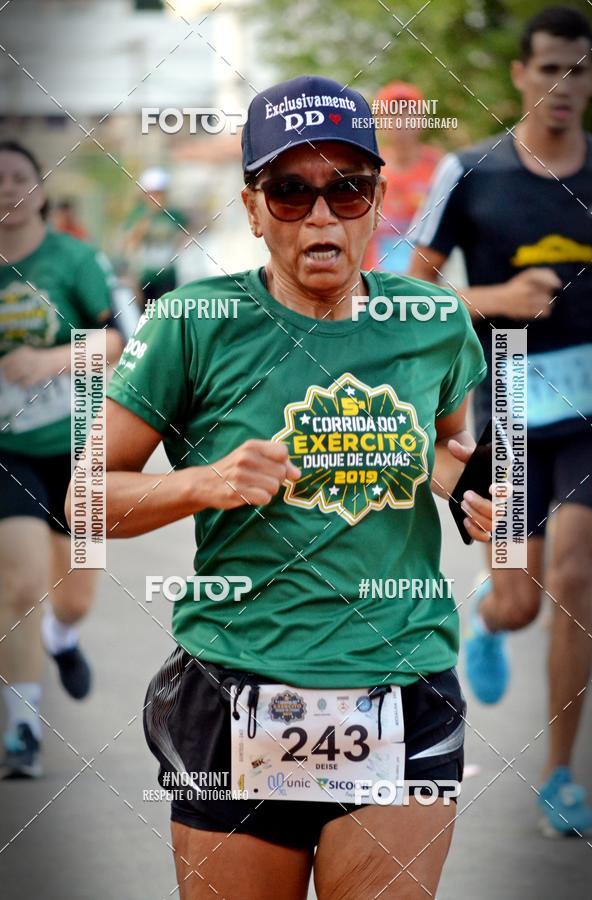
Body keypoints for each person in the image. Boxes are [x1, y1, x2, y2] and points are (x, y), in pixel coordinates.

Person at [88, 75, 492, 899]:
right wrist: (207, 481)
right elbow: (86, 499)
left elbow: (446, 447)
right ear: (251, 205)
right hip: (234, 681)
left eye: (347, 190)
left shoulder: (433, 322)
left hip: (402, 678)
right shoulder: (192, 324)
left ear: (379, 200)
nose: (320, 215)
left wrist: (472, 490)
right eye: (291, 190)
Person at [408, 6, 592, 837]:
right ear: (521, 75)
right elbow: (405, 297)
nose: (564, 85)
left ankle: (560, 774)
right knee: (526, 602)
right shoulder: (471, 171)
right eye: (549, 67)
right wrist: (495, 300)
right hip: (513, 406)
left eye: (580, 67)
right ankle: (491, 610)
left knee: (579, 572)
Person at [0, 141, 123, 777]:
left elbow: (115, 339)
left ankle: (64, 637)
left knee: (72, 596)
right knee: (17, 587)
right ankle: (22, 731)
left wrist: (46, 362)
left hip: (80, 445)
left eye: (19, 177)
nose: (8, 189)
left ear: (40, 189)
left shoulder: (73, 259)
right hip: (7, 453)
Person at [363, 82, 441, 275]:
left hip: (425, 282)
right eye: (393, 114)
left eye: (409, 113)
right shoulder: (367, 166)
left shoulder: (440, 166)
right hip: (374, 281)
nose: (401, 121)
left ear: (422, 119)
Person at [122, 166, 188, 305]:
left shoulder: (173, 215)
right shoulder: (138, 215)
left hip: (168, 274)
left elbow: (184, 236)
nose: (157, 197)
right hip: (146, 276)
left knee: (167, 313)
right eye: (153, 193)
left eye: (160, 193)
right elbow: (129, 244)